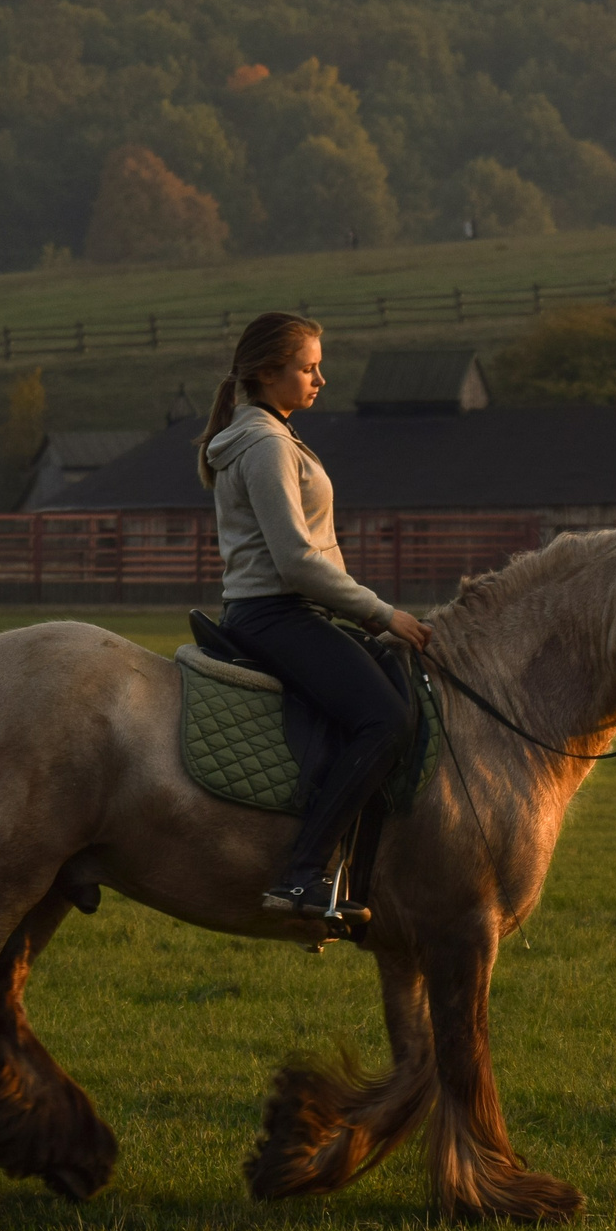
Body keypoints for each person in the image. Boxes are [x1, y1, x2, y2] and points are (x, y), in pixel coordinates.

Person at [200, 313, 431, 923]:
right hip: (277, 613)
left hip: (286, 610)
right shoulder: (268, 446)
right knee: (384, 719)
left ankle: (363, 871)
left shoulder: (270, 435)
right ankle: (301, 876)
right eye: (308, 367)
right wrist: (382, 614)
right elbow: (297, 561)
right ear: (267, 372)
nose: (320, 379)